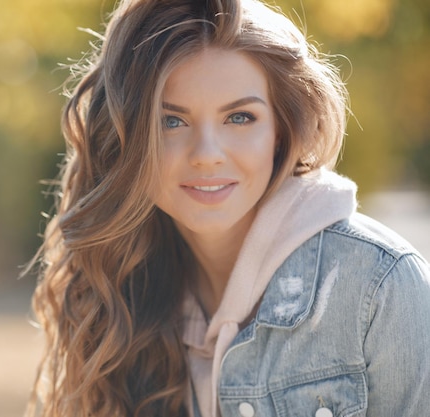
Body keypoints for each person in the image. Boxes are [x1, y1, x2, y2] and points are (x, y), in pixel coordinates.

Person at [24, 0, 430, 416]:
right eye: (171, 121)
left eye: (239, 118)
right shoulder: (124, 294)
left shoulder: (381, 289)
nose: (206, 155)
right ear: (128, 138)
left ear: (281, 130)